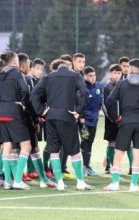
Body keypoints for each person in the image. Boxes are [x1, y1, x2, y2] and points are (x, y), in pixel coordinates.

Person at [31, 59, 94, 191]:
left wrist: (41, 110)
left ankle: (59, 182)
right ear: (69, 67)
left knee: (54, 150)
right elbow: (84, 92)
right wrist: (78, 110)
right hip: (67, 117)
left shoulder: (47, 77)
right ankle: (80, 182)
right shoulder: (75, 75)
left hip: (51, 117)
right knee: (75, 152)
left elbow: (34, 94)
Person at [104, 58, 139, 191]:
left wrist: (115, 117)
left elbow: (110, 100)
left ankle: (115, 183)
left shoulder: (122, 84)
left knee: (119, 154)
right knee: (137, 154)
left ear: (129, 68)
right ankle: (134, 185)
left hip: (125, 122)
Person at [0, 51, 33, 190]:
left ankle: (7, 181)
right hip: (14, 113)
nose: (18, 63)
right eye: (17, 60)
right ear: (13, 62)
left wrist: (1, 102)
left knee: (7, 145)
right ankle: (17, 180)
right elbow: (25, 90)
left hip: (1, 113)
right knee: (26, 146)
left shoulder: (0, 75)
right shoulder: (17, 74)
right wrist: (22, 103)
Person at [17, 53, 56, 188]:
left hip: (30, 119)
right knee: (22, 149)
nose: (39, 71)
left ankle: (42, 179)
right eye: (37, 68)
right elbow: (29, 102)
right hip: (25, 119)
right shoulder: (27, 81)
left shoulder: (37, 82)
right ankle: (16, 178)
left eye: (41, 69)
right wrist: (35, 118)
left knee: (33, 149)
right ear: (31, 68)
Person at [80, 66, 103, 176]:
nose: (93, 78)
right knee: (85, 142)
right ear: (84, 76)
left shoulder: (99, 86)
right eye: (90, 76)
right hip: (84, 121)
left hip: (94, 120)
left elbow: (100, 103)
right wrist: (81, 117)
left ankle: (87, 166)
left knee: (90, 143)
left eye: (94, 75)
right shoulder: (81, 87)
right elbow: (78, 103)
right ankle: (82, 167)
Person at [102, 64, 122, 174]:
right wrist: (111, 118)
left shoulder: (124, 86)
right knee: (111, 143)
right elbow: (104, 105)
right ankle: (108, 166)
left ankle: (118, 165)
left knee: (123, 144)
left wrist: (123, 116)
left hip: (122, 120)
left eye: (119, 73)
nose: (117, 75)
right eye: (115, 73)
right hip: (111, 121)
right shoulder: (107, 88)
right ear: (111, 74)